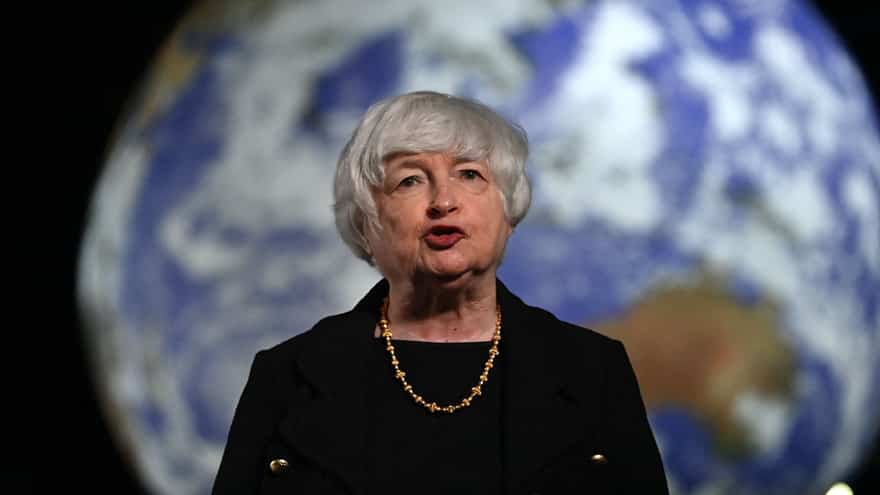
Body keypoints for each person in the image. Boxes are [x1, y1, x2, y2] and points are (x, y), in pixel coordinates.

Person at [212, 91, 668, 494]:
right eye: (410, 180)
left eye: (469, 174)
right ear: (367, 225)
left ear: (507, 213)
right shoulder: (285, 375)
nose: (443, 201)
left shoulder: (594, 370)